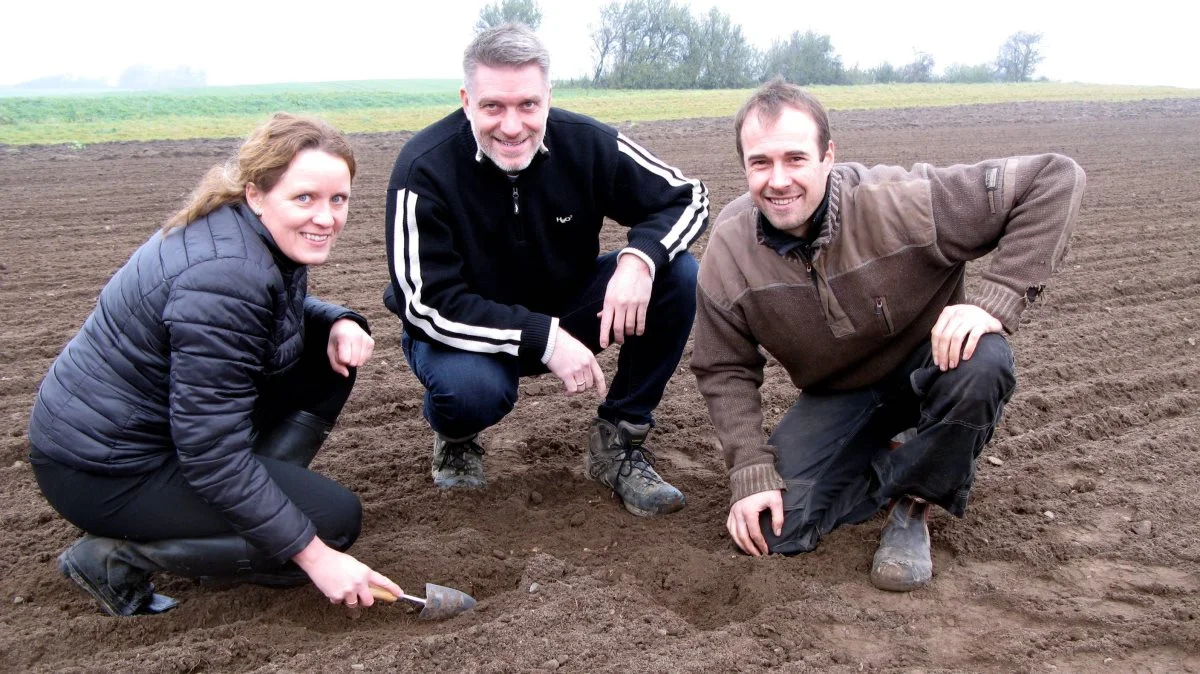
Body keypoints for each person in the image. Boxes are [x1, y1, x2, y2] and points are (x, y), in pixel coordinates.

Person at [691, 79, 1086, 590]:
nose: (778, 179)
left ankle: (913, 505)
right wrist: (749, 469)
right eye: (760, 163)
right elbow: (723, 368)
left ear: (827, 155)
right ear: (743, 165)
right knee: (774, 531)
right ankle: (893, 459)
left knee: (985, 363)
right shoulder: (729, 251)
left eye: (795, 158)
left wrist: (994, 301)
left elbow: (1054, 178)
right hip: (841, 394)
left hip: (935, 365)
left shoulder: (902, 202)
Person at [28, 113, 404, 616]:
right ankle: (117, 557)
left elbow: (264, 313)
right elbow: (210, 452)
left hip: (143, 436)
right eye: (305, 198)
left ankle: (240, 514)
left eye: (338, 199)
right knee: (332, 524)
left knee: (326, 359)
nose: (326, 217)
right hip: (104, 472)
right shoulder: (227, 275)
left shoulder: (240, 234)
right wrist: (315, 556)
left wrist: (338, 320)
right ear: (256, 194)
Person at [382, 23, 709, 517]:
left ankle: (618, 441)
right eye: (493, 106)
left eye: (527, 105)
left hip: (568, 307)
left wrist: (639, 259)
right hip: (466, 334)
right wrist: (544, 339)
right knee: (473, 391)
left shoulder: (587, 144)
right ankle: (456, 437)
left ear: (547, 98)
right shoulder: (423, 169)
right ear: (466, 99)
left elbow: (687, 196)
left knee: (677, 274)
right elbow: (424, 302)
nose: (512, 126)